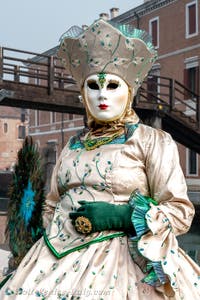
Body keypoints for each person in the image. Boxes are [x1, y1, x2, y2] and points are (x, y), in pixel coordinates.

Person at [1, 18, 200, 299]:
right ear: (83, 94)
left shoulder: (151, 140)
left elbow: (181, 212)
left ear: (128, 93)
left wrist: (123, 216)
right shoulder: (72, 145)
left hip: (126, 264)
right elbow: (52, 204)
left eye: (112, 86)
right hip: (54, 259)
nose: (102, 95)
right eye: (94, 86)